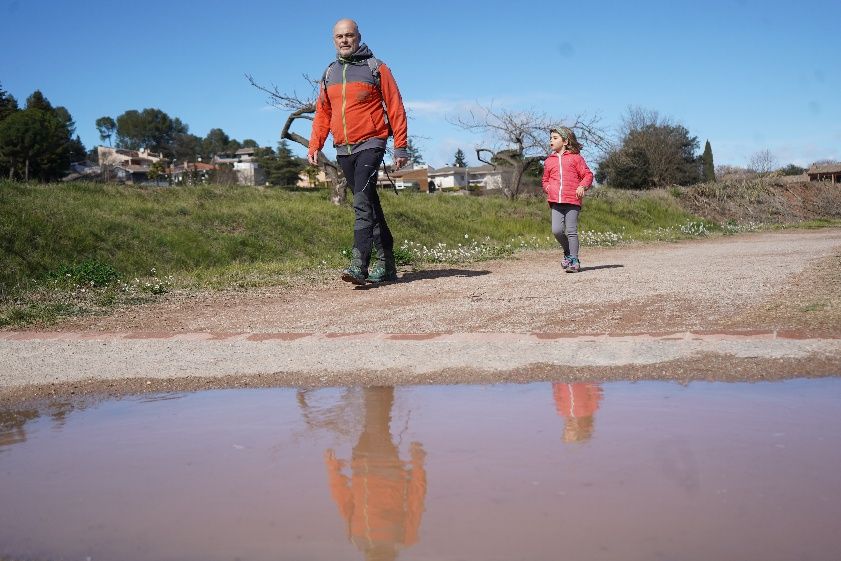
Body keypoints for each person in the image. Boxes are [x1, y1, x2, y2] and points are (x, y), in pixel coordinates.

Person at [308, 18, 409, 285]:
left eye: (349, 35)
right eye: (339, 36)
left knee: (361, 203)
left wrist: (400, 145)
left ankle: (358, 265)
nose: (344, 40)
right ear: (334, 40)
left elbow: (395, 105)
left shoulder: (376, 68)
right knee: (370, 204)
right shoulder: (329, 73)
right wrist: (315, 143)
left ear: (358, 37)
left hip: (372, 142)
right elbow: (323, 112)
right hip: (344, 148)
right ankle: (387, 264)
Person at [541, 126, 594, 273]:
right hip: (555, 201)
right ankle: (568, 252)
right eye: (551, 138)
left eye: (555, 138)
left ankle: (574, 260)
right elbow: (545, 180)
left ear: (565, 141)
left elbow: (588, 175)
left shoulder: (576, 158)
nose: (551, 140)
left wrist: (582, 186)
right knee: (557, 231)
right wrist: (548, 188)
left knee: (571, 231)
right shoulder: (548, 161)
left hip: (572, 200)